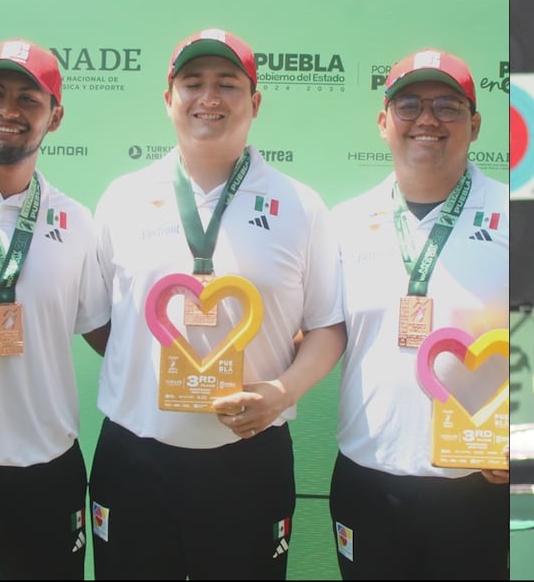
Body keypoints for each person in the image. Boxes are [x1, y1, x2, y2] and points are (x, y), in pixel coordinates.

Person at [86, 28, 347, 580]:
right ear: (168, 99)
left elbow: (327, 326)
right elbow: (98, 320)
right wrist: (146, 371)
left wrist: (282, 391)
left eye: (227, 84)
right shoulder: (122, 198)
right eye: (192, 83)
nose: (209, 97)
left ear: (253, 103)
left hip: (249, 458)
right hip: (136, 454)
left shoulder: (301, 206)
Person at [326, 48, 509, 579]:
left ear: (474, 125)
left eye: (448, 107)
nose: (427, 119)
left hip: (479, 484)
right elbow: (321, 336)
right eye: (408, 105)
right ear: (384, 122)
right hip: (369, 477)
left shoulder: (515, 218)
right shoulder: (344, 222)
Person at [0, 39, 111, 580]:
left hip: (45, 469)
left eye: (28, 99)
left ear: (55, 116)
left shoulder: (77, 221)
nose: (7, 111)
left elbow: (105, 332)